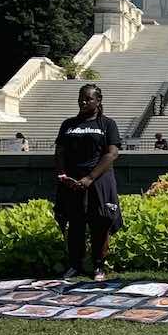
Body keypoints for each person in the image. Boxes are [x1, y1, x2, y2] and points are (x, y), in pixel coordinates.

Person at [53, 83, 122, 282]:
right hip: (72, 181)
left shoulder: (107, 124)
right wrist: (62, 175)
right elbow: (59, 152)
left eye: (88, 98)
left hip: (99, 180)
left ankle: (99, 265)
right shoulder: (68, 124)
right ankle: (75, 264)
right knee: (75, 223)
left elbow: (112, 154)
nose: (83, 102)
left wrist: (90, 178)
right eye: (81, 98)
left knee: (100, 222)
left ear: (98, 101)